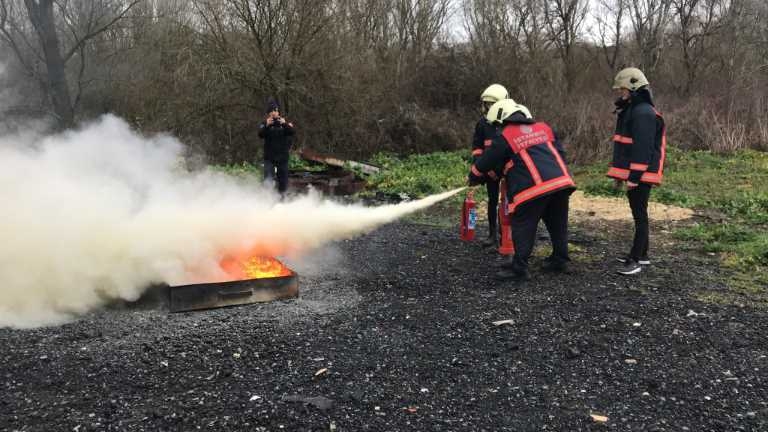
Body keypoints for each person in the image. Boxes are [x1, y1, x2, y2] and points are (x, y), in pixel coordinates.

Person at [468, 99, 576, 283]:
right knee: (558, 224)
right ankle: (560, 260)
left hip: (533, 188)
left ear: (503, 120)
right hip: (561, 183)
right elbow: (560, 153)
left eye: (497, 125)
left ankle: (519, 268)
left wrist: (474, 176)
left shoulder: (507, 135)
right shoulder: (544, 128)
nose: (498, 129)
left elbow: (486, 161)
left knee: (523, 224)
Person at [606, 67, 667, 275]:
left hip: (641, 173)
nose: (620, 93)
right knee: (639, 213)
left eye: (622, 89)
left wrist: (634, 176)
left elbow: (642, 148)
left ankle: (635, 261)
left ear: (632, 88)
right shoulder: (636, 109)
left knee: (639, 215)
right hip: (638, 172)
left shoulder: (642, 113)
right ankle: (643, 255)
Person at [471, 84, 511, 247]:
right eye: (486, 104)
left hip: (507, 171)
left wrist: (498, 169)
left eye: (491, 104)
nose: (488, 108)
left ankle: (506, 237)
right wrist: (482, 169)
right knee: (492, 201)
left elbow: (508, 149)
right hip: (488, 173)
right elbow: (477, 148)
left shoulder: (508, 123)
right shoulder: (482, 124)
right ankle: (492, 235)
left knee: (507, 204)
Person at [258, 98, 295, 194]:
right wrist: (267, 125)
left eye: (276, 110)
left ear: (278, 112)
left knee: (283, 182)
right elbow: (260, 135)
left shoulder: (284, 123)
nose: (274, 113)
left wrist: (285, 124)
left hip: (282, 158)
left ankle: (282, 201)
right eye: (272, 111)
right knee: (268, 180)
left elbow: (292, 132)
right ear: (268, 113)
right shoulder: (264, 124)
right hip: (269, 158)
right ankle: (268, 200)